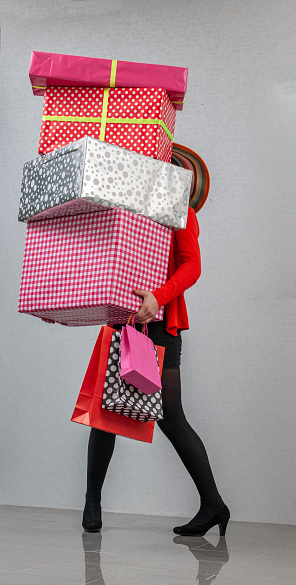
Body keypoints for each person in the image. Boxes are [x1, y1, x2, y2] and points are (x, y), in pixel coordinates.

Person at [82, 207, 230, 536]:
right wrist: (61, 307)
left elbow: (193, 266)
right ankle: (92, 503)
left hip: (160, 324)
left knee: (171, 418)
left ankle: (213, 505)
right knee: (104, 412)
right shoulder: (125, 210)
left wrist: (158, 298)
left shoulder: (181, 210)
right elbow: (101, 261)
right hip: (122, 318)